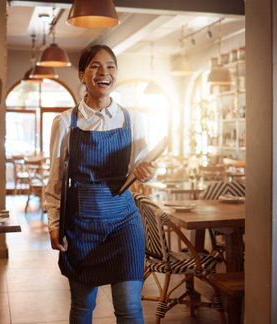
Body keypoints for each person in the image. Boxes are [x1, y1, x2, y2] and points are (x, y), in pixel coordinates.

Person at [44, 44, 157, 324]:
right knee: (83, 306)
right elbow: (55, 180)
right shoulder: (64, 123)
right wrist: (54, 224)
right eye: (95, 66)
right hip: (82, 224)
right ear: (82, 75)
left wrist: (148, 170)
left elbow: (143, 169)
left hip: (124, 222)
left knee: (129, 307)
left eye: (111, 66)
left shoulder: (134, 120)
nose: (104, 72)